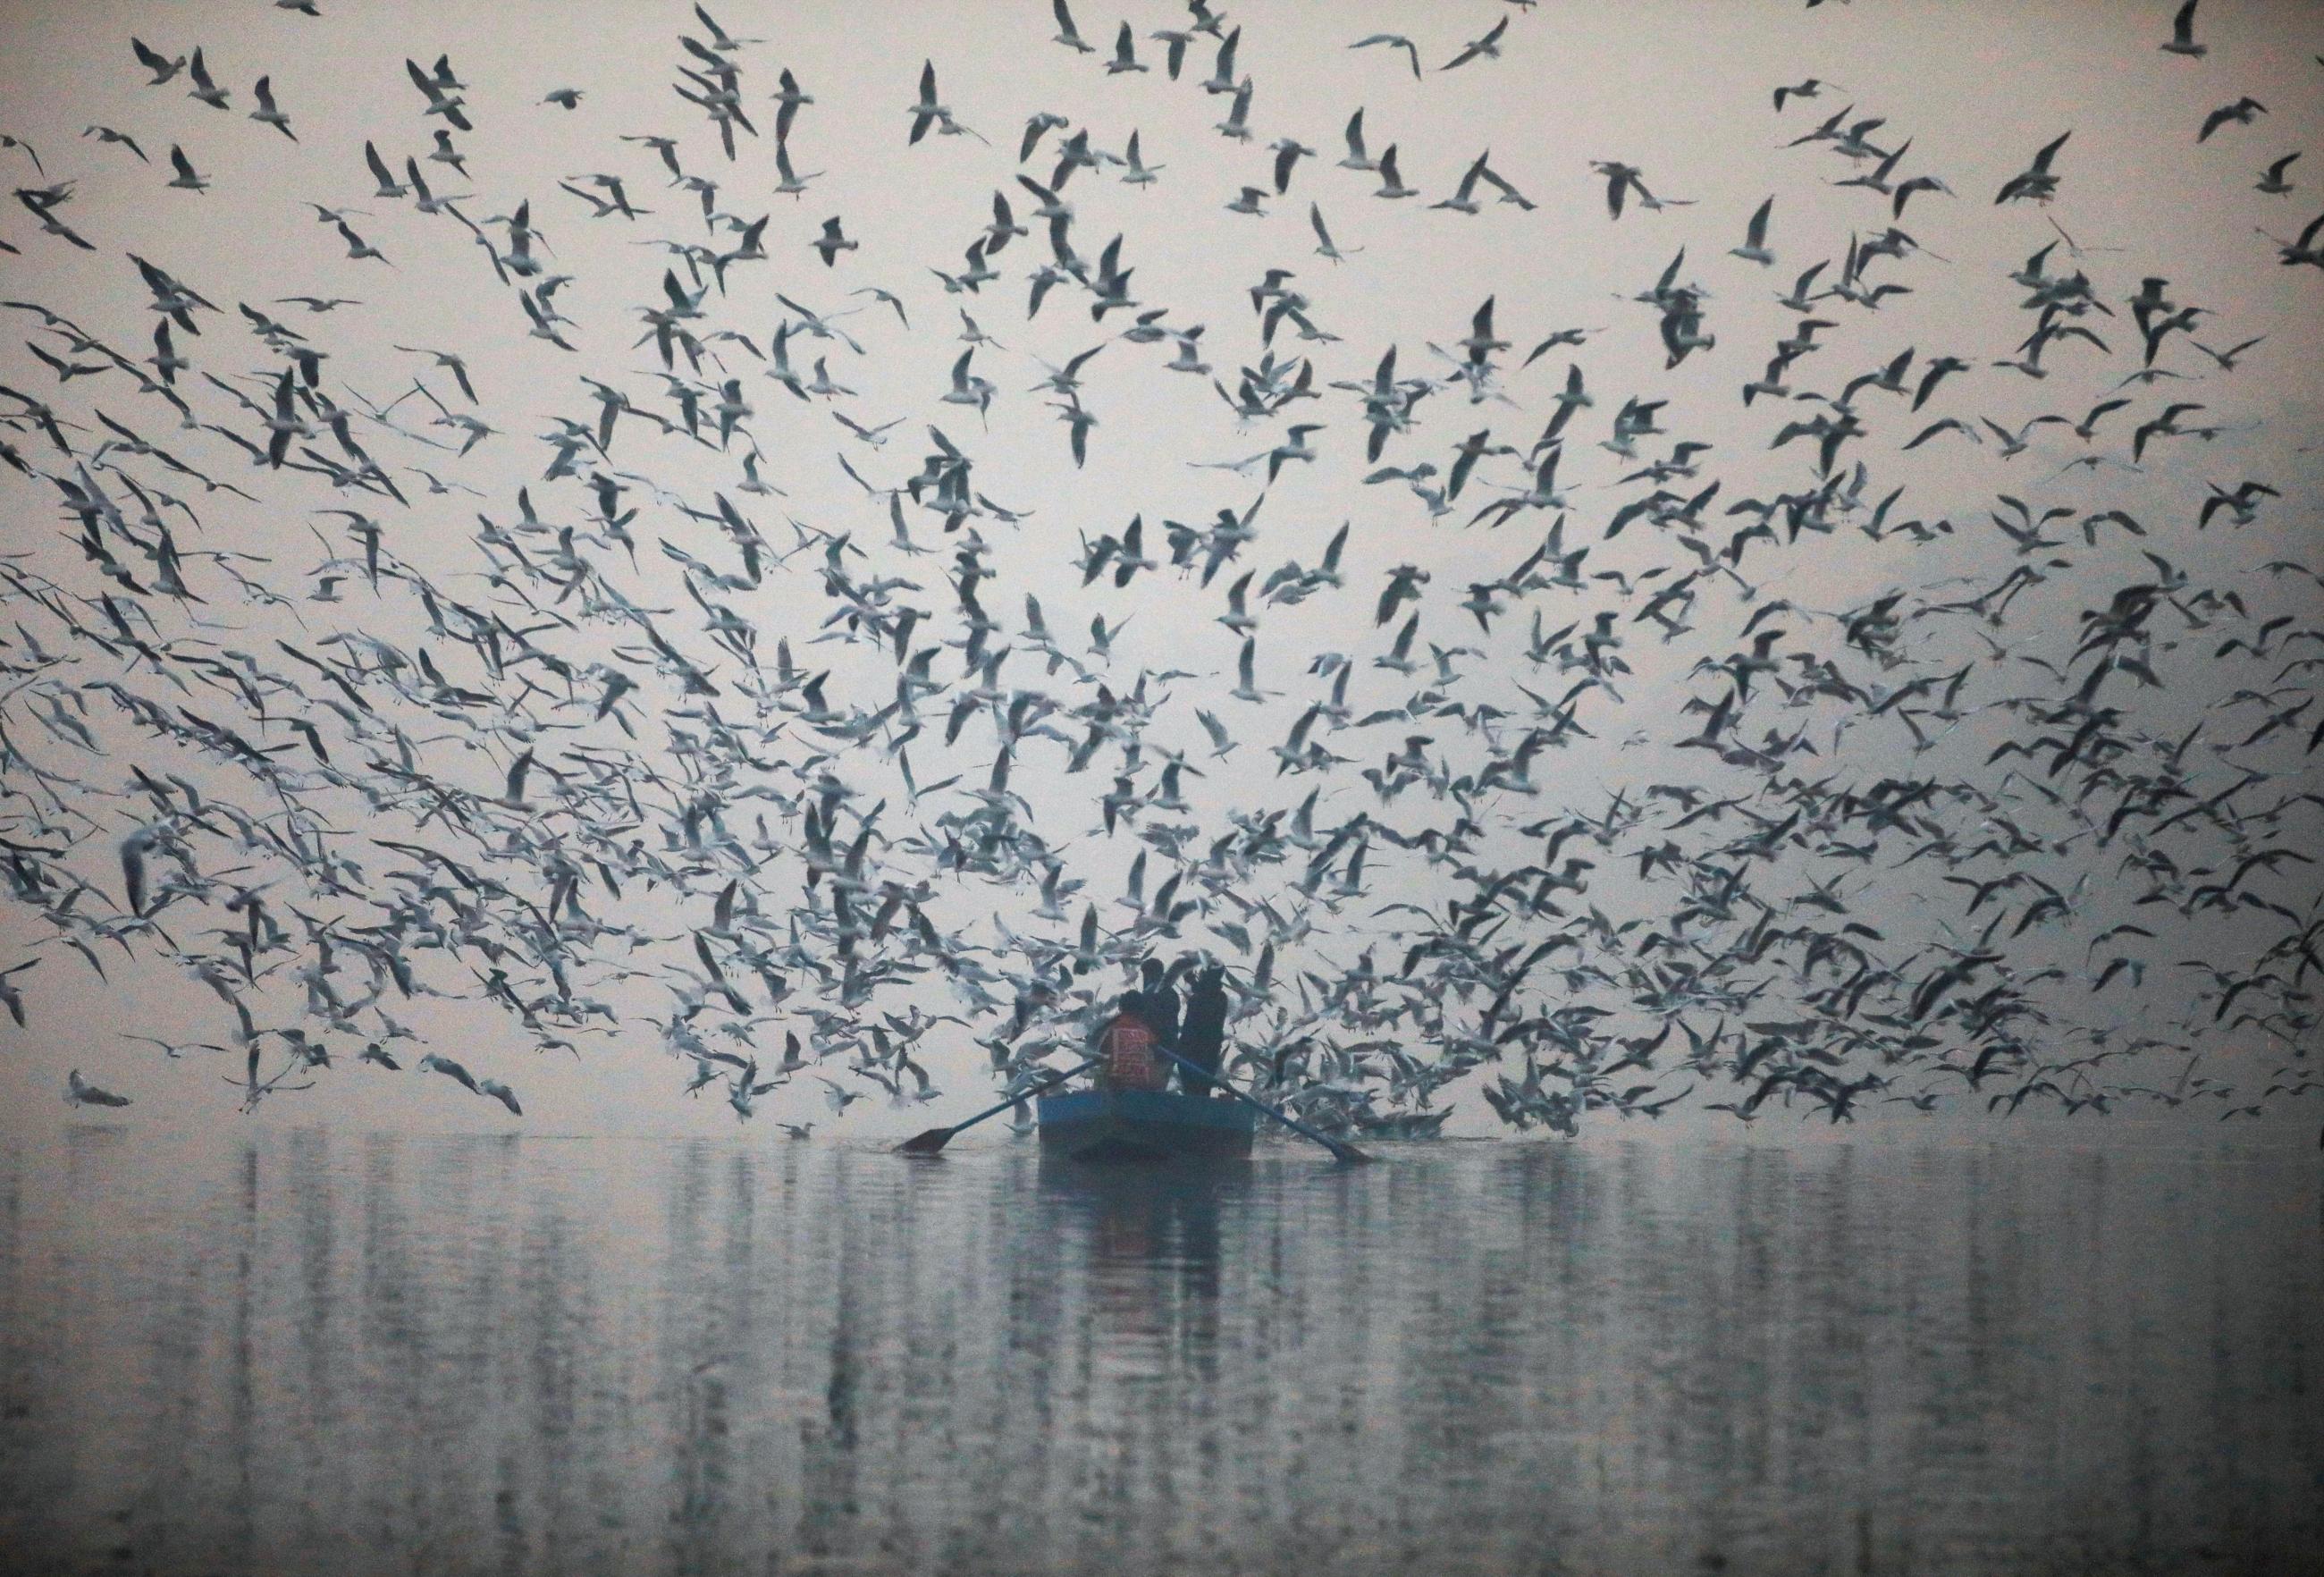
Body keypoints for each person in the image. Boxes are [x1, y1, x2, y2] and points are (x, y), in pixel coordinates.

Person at [1094, 992, 1167, 1092]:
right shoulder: (1146, 1031)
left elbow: (1101, 1053)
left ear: (1121, 1008)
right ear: (1142, 1010)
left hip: (1116, 1084)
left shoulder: (1112, 1029)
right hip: (1141, 1084)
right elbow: (1154, 1046)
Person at [1177, 961, 1229, 1096]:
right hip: (1209, 1056)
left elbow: (1203, 997)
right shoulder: (1221, 998)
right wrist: (1192, 981)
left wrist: (1191, 980)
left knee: (1191, 1093)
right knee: (1202, 1094)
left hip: (1193, 1054)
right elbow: (1205, 991)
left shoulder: (1202, 998)